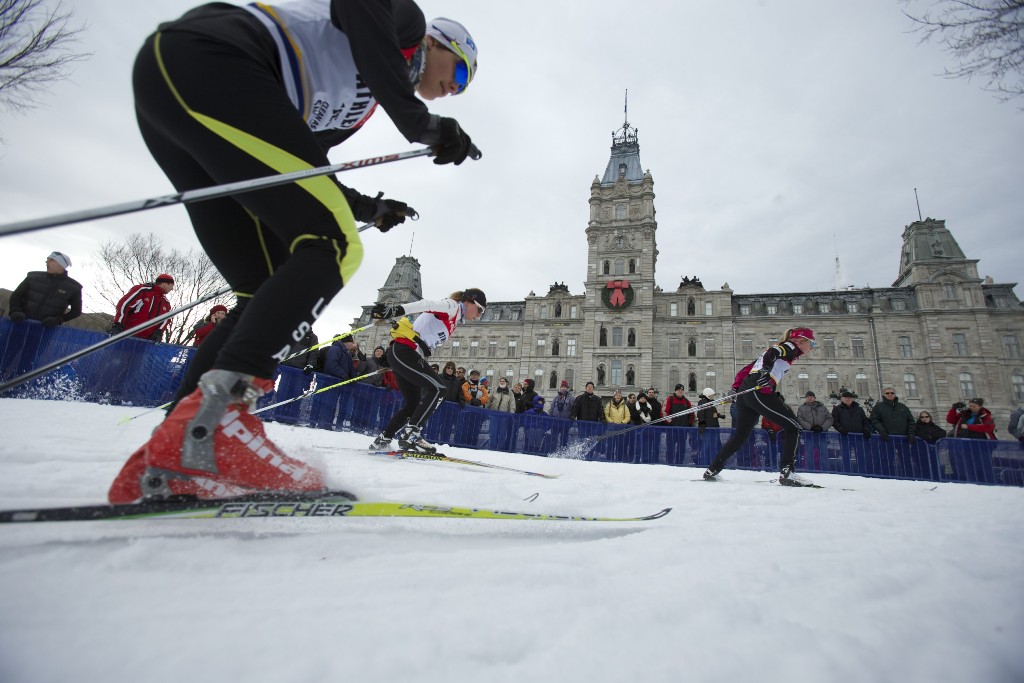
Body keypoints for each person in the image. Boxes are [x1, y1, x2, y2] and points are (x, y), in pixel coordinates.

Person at [108, 3, 480, 503]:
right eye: (460, 71)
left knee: (262, 285)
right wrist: (423, 124)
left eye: (464, 86)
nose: (455, 87)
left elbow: (301, 166)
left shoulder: (361, 103)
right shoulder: (404, 24)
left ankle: (177, 452)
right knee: (335, 245)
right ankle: (216, 424)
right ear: (433, 43)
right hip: (211, 61)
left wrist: (369, 208)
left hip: (185, 93)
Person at [366, 288, 487, 454]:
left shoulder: (455, 318)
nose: (479, 315)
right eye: (479, 309)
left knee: (413, 405)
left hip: (406, 354)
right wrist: (395, 310)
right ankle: (411, 434)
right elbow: (426, 304)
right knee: (439, 388)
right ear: (469, 301)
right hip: (405, 351)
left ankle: (384, 439)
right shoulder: (452, 306)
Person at [704, 328, 816, 486]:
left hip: (746, 393)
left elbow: (745, 371)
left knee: (740, 436)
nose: (812, 348)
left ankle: (712, 469)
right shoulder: (790, 347)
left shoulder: (778, 352)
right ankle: (788, 472)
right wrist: (765, 372)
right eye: (812, 343)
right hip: (759, 391)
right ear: (801, 341)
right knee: (794, 427)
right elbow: (774, 352)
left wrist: (735, 389)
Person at [7, 251, 82, 327]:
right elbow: (16, 296)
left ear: (61, 265)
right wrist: (15, 310)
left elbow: (76, 311)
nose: (47, 261)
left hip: (46, 330)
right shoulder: (32, 277)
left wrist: (58, 320)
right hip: (19, 323)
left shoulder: (74, 288)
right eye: (47, 259)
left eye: (52, 260)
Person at [108, 274, 175, 341]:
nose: (172, 289)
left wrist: (159, 332)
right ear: (165, 283)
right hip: (125, 336)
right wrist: (118, 324)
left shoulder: (166, 303)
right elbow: (124, 304)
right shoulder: (143, 291)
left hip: (145, 342)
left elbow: (167, 319)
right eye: (171, 285)